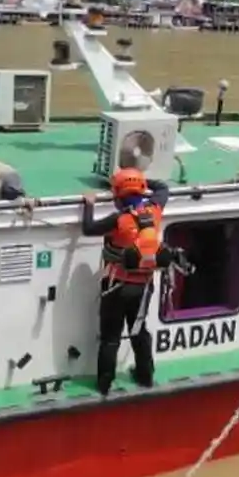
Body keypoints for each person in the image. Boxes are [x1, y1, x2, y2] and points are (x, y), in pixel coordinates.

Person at [81, 167, 171, 396]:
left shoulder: (118, 220)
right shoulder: (155, 211)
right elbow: (162, 187)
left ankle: (104, 384)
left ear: (117, 194)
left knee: (110, 337)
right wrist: (140, 180)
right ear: (141, 189)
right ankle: (145, 376)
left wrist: (89, 204)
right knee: (139, 331)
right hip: (143, 287)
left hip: (116, 285)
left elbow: (88, 229)